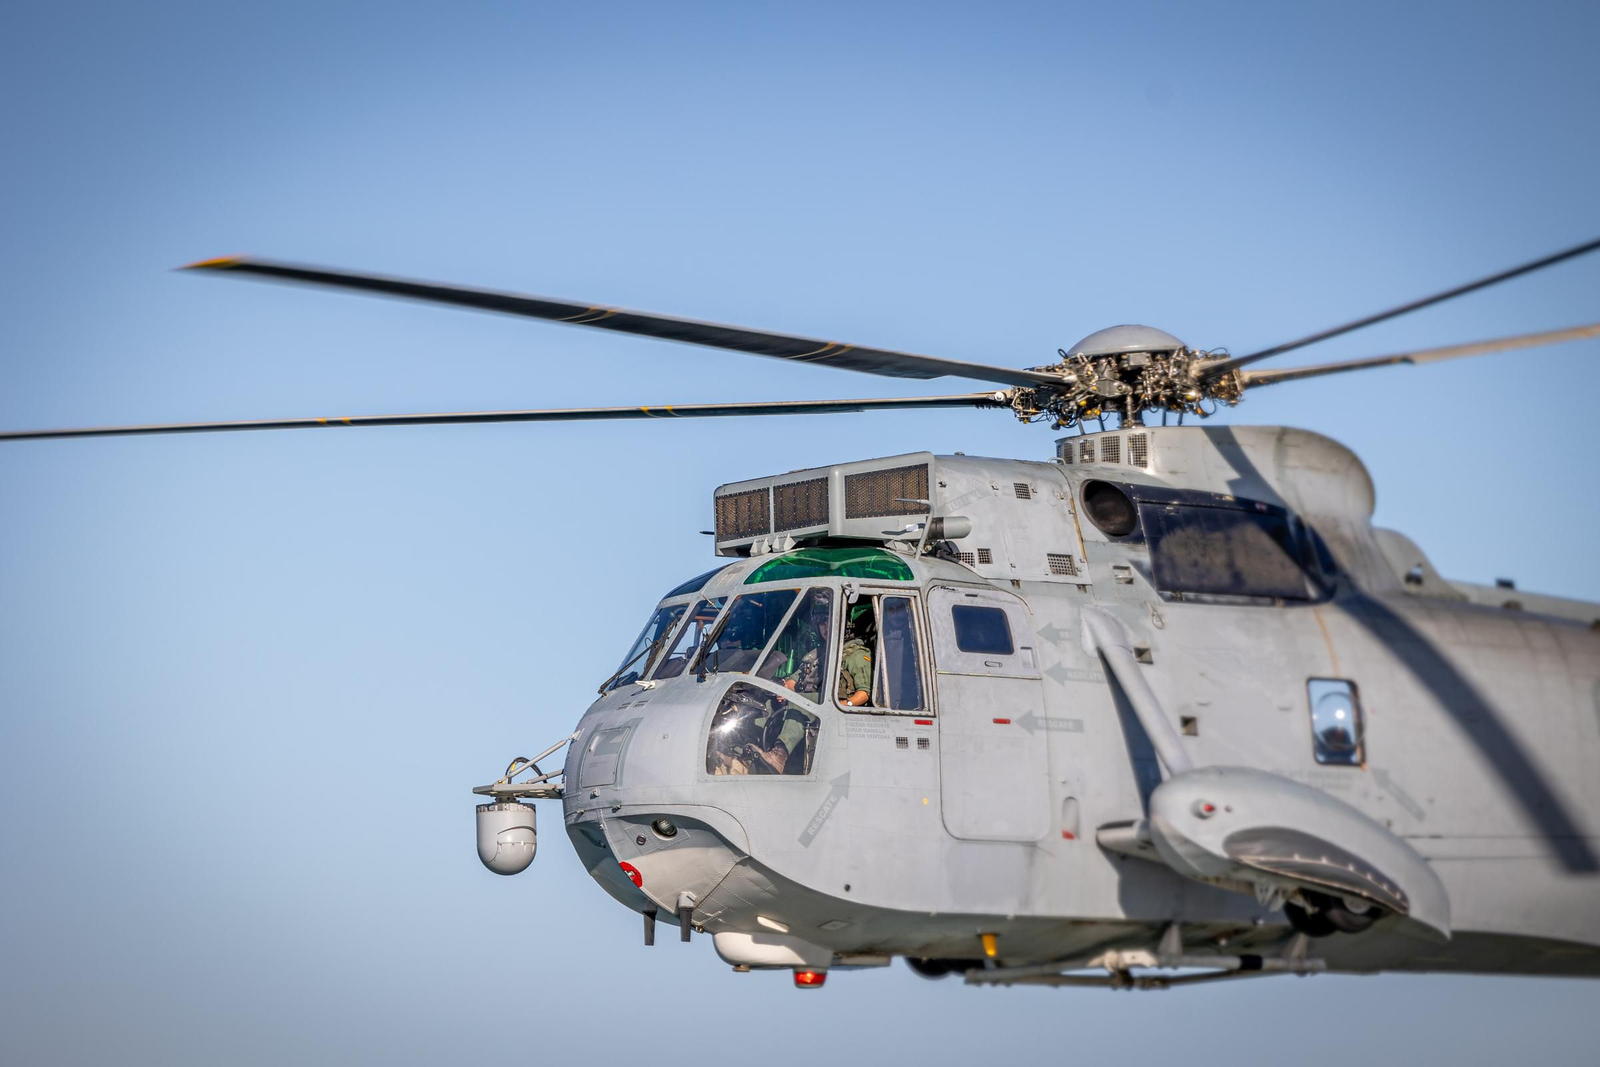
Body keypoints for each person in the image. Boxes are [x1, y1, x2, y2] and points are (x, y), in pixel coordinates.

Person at [838, 602, 876, 707]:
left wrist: (845, 705)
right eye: (822, 623)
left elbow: (864, 693)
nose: (826, 627)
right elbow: (793, 682)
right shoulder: (820, 654)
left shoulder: (856, 654)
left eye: (831, 622)